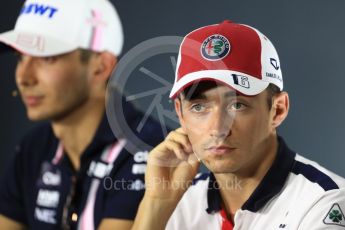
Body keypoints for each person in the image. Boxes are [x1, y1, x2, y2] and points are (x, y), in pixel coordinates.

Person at [132, 20, 345, 229]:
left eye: (237, 105)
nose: (217, 129)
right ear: (180, 114)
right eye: (198, 107)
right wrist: (157, 203)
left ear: (277, 110)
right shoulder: (180, 202)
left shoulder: (324, 202)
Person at [0, 0, 166, 229]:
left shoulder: (149, 147)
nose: (24, 78)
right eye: (21, 57)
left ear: (101, 67)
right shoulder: (33, 148)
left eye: (47, 57)